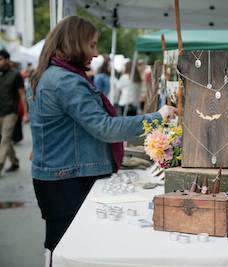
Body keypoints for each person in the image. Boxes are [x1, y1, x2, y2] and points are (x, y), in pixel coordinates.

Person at [27, 15, 177, 252]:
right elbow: (105, 128)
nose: (96, 53)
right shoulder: (66, 81)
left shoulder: (49, 75)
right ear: (75, 43)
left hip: (57, 176)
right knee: (72, 248)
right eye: (92, 45)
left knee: (61, 245)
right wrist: (156, 118)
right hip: (68, 179)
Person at [0, 50, 29, 176]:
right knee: (5, 139)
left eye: (0, 59)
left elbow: (22, 95)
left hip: (11, 112)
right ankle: (14, 162)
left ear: (7, 60)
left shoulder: (16, 75)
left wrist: (25, 114)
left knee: (5, 139)